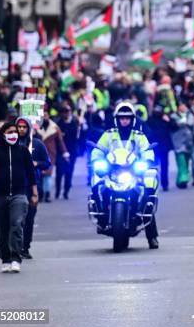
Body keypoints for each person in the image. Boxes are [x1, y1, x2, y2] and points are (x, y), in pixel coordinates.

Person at [92, 102, 160, 249]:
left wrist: (147, 160)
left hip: (133, 172)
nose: (124, 121)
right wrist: (97, 160)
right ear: (117, 119)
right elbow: (98, 150)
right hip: (112, 172)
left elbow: (147, 150)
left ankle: (152, 237)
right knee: (96, 186)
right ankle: (102, 218)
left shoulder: (139, 136)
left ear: (132, 119)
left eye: (127, 118)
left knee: (147, 198)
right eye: (122, 118)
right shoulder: (108, 135)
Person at [0, 122, 38, 273]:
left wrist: (34, 193)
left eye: (15, 131)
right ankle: (6, 259)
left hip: (19, 194)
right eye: (10, 131)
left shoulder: (23, 151)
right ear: (3, 134)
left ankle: (16, 258)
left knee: (16, 224)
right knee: (2, 229)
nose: (14, 134)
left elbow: (31, 174)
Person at [16, 117, 51, 259]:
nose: (22, 129)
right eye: (19, 127)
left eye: (24, 127)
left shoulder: (38, 144)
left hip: (33, 187)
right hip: (16, 187)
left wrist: (37, 163)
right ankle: (15, 247)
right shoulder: (12, 144)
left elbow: (47, 163)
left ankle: (25, 247)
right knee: (17, 219)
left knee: (29, 218)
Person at [37, 110, 69, 202]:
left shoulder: (54, 128)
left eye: (46, 115)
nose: (44, 117)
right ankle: (40, 193)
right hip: (38, 153)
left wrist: (64, 152)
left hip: (50, 153)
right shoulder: (36, 127)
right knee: (39, 174)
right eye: (43, 115)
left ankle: (47, 193)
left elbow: (60, 141)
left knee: (48, 174)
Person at [55, 105, 79, 199]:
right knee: (59, 172)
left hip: (72, 151)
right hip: (60, 151)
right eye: (64, 111)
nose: (67, 113)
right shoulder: (58, 124)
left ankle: (66, 191)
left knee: (69, 172)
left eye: (68, 111)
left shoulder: (74, 123)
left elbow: (77, 137)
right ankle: (57, 191)